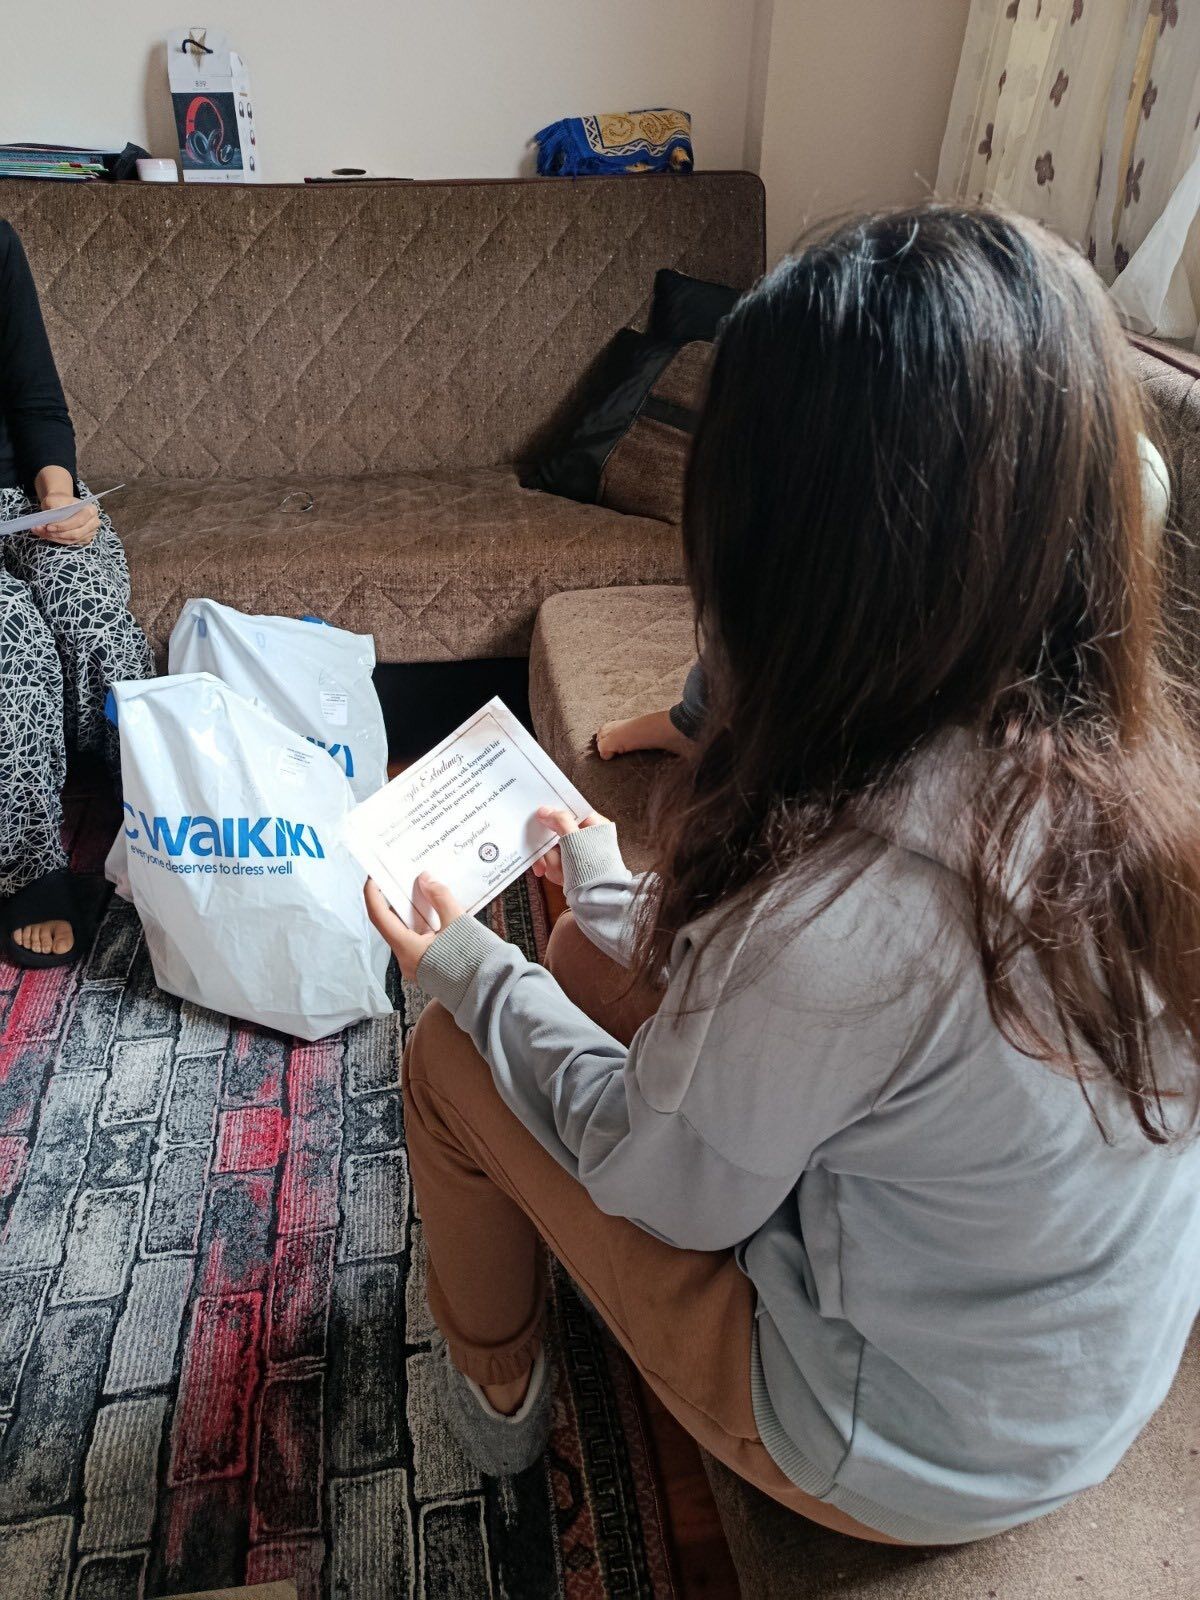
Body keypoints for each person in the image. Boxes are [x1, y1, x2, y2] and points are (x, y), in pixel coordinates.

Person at [366, 204, 1200, 1546]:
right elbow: (798, 990)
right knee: (581, 953)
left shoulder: (844, 916)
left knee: (452, 1058)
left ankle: (494, 1390)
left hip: (902, 1447)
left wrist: (467, 967)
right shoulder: (1126, 777)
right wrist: (599, 880)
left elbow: (666, 1184)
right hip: (1069, 1370)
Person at [0, 219, 153, 967]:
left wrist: (59, 497)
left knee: (89, 610)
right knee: (12, 640)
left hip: (21, 496)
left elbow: (36, 400)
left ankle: (159, 811)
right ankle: (29, 867)